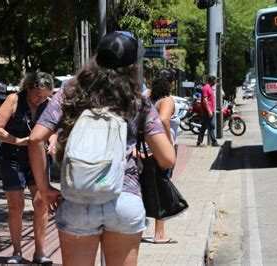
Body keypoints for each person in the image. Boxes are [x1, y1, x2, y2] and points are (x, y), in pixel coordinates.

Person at [28, 31, 176, 265]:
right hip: (123, 197)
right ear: (131, 66)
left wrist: (45, 189)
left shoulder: (70, 93)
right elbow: (167, 158)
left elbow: (36, 139)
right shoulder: (137, 100)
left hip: (77, 197)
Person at [0, 72, 55, 264]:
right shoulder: (13, 100)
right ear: (28, 88)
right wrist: (17, 141)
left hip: (38, 157)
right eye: (37, 94)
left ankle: (40, 252)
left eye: (44, 96)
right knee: (16, 206)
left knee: (41, 202)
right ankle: (17, 252)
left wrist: (52, 142)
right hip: (12, 157)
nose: (40, 99)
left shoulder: (48, 104)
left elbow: (53, 130)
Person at [149, 70, 180, 244]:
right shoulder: (167, 100)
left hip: (148, 149)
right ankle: (159, 234)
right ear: (171, 83)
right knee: (162, 188)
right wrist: (167, 142)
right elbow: (164, 120)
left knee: (152, 187)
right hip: (160, 150)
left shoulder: (151, 99)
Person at [197, 75, 220, 147]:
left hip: (210, 111)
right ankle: (200, 142)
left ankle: (214, 142)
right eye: (215, 81)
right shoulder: (206, 88)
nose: (216, 82)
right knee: (205, 126)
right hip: (207, 111)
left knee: (211, 126)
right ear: (212, 81)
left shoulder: (209, 88)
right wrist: (209, 111)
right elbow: (205, 100)